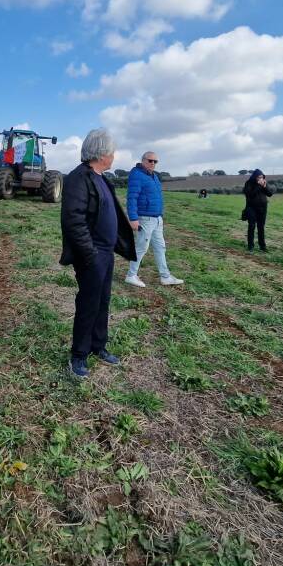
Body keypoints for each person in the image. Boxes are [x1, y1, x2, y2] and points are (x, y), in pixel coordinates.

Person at [60, 129, 136, 379]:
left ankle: (98, 345)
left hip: (106, 253)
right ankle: (79, 356)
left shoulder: (102, 178)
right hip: (91, 255)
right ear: (102, 153)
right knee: (88, 303)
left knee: (103, 300)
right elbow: (74, 220)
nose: (114, 156)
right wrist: (90, 253)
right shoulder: (78, 178)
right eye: (112, 151)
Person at [124, 151, 184, 288]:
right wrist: (133, 218)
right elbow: (132, 198)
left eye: (155, 161)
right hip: (145, 218)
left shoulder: (154, 176)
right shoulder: (137, 175)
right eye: (150, 160)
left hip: (156, 219)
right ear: (143, 160)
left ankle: (165, 276)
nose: (153, 163)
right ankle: (131, 275)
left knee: (160, 247)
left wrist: (160, 215)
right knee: (141, 247)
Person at [242, 169, 274, 252]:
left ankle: (262, 246)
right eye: (259, 177)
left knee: (261, 227)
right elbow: (250, 194)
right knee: (252, 226)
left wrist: (264, 187)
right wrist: (259, 186)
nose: (260, 178)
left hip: (263, 208)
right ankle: (250, 246)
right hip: (251, 208)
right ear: (255, 177)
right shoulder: (248, 183)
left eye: (262, 177)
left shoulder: (264, 183)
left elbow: (270, 194)